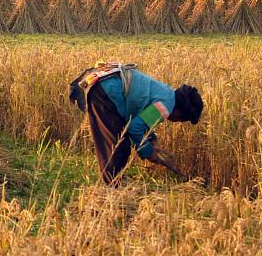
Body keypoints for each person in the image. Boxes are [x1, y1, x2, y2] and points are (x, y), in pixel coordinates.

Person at [68, 62, 203, 185]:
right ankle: (113, 188)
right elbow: (134, 128)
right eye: (181, 119)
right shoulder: (166, 106)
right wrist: (149, 153)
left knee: (119, 143)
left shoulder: (167, 93)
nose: (177, 121)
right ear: (180, 113)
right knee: (118, 145)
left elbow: (141, 120)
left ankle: (115, 182)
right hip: (106, 90)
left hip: (103, 83)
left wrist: (152, 141)